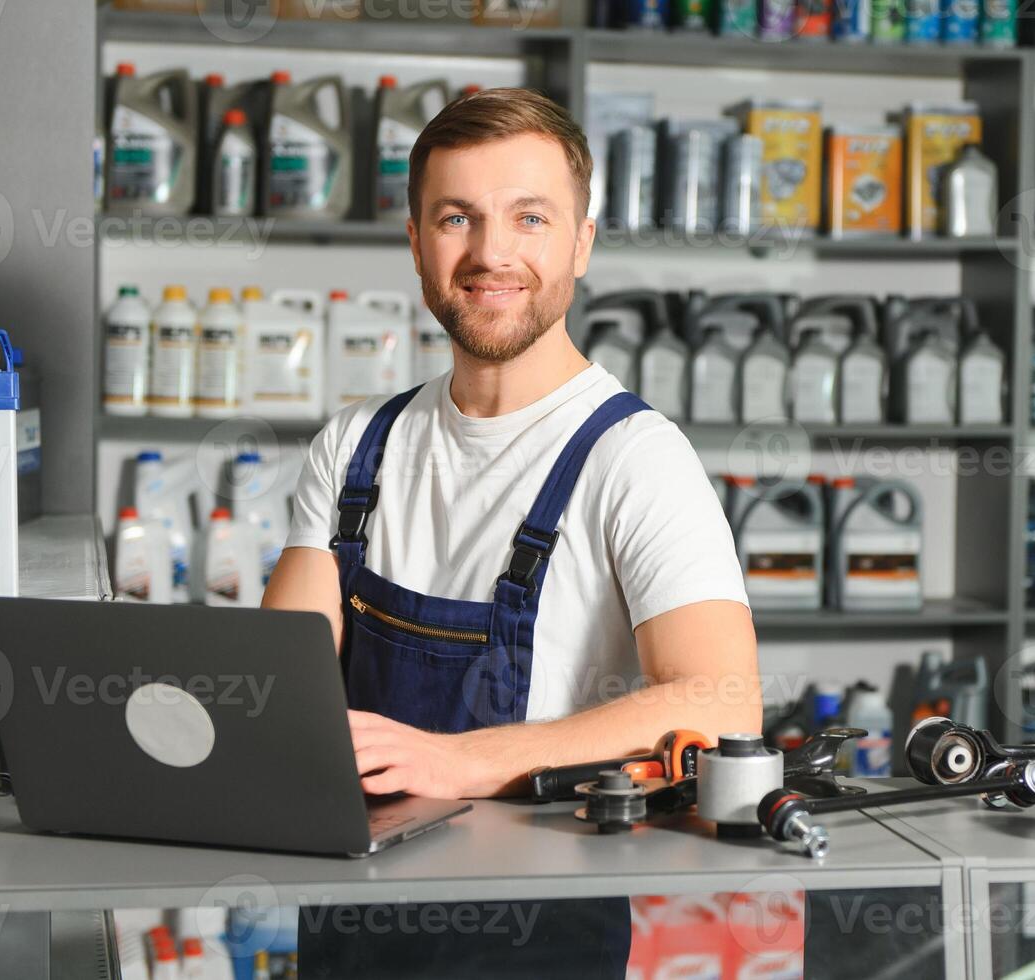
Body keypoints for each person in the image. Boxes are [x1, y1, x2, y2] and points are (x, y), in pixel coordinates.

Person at [263, 86, 759, 978]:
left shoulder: (634, 457)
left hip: (535, 935)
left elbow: (721, 703)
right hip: (349, 923)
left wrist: (455, 761)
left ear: (580, 242)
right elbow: (277, 680)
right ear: (414, 241)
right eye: (457, 217)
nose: (491, 253)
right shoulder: (353, 447)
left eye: (529, 217)